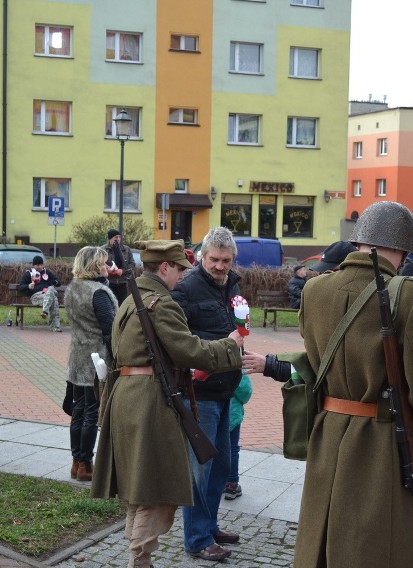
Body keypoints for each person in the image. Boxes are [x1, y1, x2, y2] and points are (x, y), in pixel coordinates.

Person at [293, 202, 413, 567]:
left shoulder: (314, 291)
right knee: (380, 548)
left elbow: (315, 362)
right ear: (404, 251)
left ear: (359, 242)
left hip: (327, 434)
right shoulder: (406, 294)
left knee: (326, 542)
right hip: (385, 444)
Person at [91, 239, 244, 568]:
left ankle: (137, 556)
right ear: (164, 268)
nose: (181, 277)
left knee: (139, 487)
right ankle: (140, 561)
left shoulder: (130, 300)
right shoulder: (161, 303)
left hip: (127, 398)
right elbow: (189, 351)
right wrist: (231, 346)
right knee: (157, 490)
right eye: (178, 269)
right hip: (150, 403)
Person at [171, 226, 243, 561]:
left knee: (221, 466)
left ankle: (210, 525)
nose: (220, 266)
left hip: (226, 389)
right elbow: (180, 343)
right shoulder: (186, 290)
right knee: (201, 469)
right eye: (214, 259)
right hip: (199, 394)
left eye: (226, 260)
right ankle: (197, 538)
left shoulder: (232, 285)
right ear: (202, 256)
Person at [64, 246, 117, 482]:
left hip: (77, 354)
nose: (107, 267)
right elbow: (110, 329)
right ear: (95, 266)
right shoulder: (98, 292)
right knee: (91, 412)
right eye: (104, 263)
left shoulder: (73, 287)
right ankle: (85, 463)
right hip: (97, 358)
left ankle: (77, 462)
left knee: (78, 409)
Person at [224, 373, 252, 500]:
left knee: (211, 448)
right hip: (232, 413)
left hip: (209, 412)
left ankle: (211, 481)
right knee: (232, 449)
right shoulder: (235, 362)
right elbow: (245, 391)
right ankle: (231, 484)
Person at [18, 255, 62, 332]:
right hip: (36, 297)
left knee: (51, 289)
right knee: (54, 299)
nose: (40, 266)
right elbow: (21, 287)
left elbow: (58, 282)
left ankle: (45, 312)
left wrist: (54, 282)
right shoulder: (29, 273)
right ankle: (55, 326)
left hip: (47, 295)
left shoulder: (47, 272)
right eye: (38, 265)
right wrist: (28, 286)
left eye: (41, 265)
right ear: (34, 265)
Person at [102, 228, 136, 304]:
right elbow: (98, 264)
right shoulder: (103, 250)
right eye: (116, 237)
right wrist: (108, 270)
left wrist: (122, 270)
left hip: (123, 282)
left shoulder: (126, 249)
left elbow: (132, 264)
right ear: (110, 238)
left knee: (122, 305)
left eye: (119, 237)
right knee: (110, 304)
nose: (118, 239)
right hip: (109, 282)